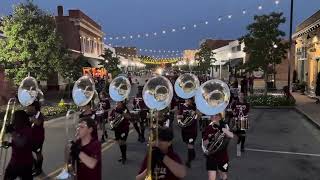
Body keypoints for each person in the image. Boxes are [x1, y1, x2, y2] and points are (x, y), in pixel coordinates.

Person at [3, 110, 33, 180]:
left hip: (25, 163)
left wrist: (12, 132)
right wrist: (10, 144)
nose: (13, 119)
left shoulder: (27, 129)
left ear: (19, 119)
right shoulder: (17, 128)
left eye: (14, 117)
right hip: (14, 161)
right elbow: (17, 142)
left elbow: (21, 143)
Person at [203, 113, 234, 180]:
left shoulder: (224, 126)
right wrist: (210, 139)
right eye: (212, 116)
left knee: (223, 175)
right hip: (211, 156)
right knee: (211, 178)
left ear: (220, 117)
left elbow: (231, 135)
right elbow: (204, 143)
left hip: (223, 156)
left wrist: (221, 128)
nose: (214, 118)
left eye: (216, 116)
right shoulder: (208, 128)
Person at [177, 98, 198, 168]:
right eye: (187, 99)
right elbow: (178, 116)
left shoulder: (195, 107)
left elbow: (198, 117)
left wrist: (194, 113)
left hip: (192, 130)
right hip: (185, 129)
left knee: (190, 144)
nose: (188, 101)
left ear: (192, 100)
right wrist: (183, 115)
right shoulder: (182, 106)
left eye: (189, 100)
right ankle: (193, 153)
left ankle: (188, 161)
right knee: (188, 143)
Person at [26, 100, 45, 176]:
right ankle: (35, 165)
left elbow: (38, 122)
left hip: (38, 138)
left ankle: (39, 169)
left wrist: (32, 119)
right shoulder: (29, 114)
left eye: (29, 106)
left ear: (34, 107)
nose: (28, 107)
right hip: (31, 137)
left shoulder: (39, 114)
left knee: (38, 153)